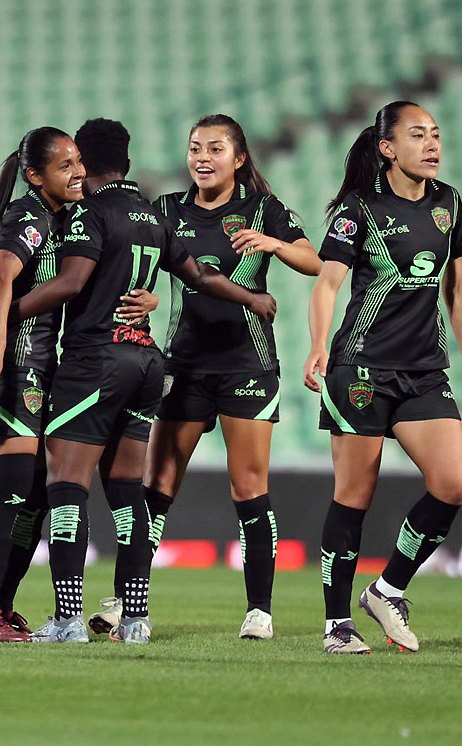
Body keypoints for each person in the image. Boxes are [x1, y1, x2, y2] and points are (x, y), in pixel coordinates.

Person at [2, 118, 276, 645]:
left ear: (86, 160)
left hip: (95, 362)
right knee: (127, 495)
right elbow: (199, 275)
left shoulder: (89, 213)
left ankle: (67, 619)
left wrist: (1, 316)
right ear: (126, 160)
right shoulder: (154, 216)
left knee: (66, 487)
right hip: (148, 365)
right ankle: (135, 619)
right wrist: (252, 298)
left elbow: (73, 281)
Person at [87, 114, 320, 641]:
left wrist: (274, 245)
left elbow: (315, 260)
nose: (202, 158)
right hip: (182, 366)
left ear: (238, 159)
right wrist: (146, 297)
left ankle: (259, 611)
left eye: (215, 148)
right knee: (156, 487)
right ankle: (128, 599)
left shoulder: (263, 209)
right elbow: (141, 263)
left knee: (249, 487)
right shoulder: (166, 209)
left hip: (247, 366)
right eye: (195, 148)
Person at [0, 127, 158, 642]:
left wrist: (147, 299)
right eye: (65, 165)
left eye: (78, 162)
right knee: (10, 492)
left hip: (40, 372)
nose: (77, 172)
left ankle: (3, 608)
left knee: (35, 498)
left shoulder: (66, 217)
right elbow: (1, 276)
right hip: (11, 367)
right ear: (34, 175)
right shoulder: (27, 216)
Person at [304, 101, 462, 654]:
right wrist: (318, 345)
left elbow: (456, 286)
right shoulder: (357, 208)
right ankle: (337, 624)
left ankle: (387, 590)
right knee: (355, 495)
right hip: (360, 367)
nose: (432, 144)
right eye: (418, 135)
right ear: (387, 148)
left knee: (453, 484)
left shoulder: (449, 203)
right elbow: (327, 284)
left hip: (423, 370)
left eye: (436, 134)